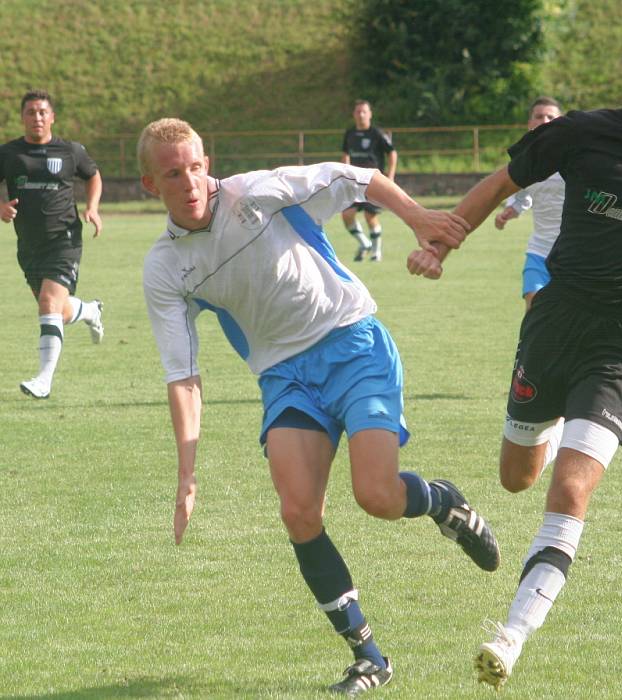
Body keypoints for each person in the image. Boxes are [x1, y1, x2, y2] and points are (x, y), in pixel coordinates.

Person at [138, 118, 499, 696]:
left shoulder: (256, 192)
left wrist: (421, 218)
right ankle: (369, 657)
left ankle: (444, 503)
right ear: (151, 185)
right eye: (173, 173)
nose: (191, 182)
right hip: (286, 379)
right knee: (299, 512)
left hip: (351, 343)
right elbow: (183, 376)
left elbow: (356, 177)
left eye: (197, 166)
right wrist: (187, 473)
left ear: (210, 162)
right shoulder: (165, 267)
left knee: (377, 496)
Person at [407, 25, 622, 689]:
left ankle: (510, 637)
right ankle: (515, 458)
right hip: (555, 323)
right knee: (517, 475)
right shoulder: (580, 133)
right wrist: (441, 244)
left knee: (569, 490)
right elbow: (502, 180)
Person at [0, 89, 104, 400]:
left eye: (43, 112)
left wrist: (93, 207)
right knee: (56, 309)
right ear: (23, 117)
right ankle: (90, 311)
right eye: (31, 112)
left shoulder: (70, 151)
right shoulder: (8, 153)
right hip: (28, 246)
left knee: (48, 303)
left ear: (52, 117)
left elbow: (93, 175)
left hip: (64, 240)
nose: (37, 117)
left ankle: (44, 380)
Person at [494, 97, 565, 311]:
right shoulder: (525, 161)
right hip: (539, 250)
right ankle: (530, 345)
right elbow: (522, 197)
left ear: (562, 123)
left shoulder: (577, 158)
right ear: (529, 124)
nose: (544, 121)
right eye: (539, 116)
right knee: (534, 302)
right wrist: (509, 211)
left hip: (574, 252)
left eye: (551, 117)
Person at [341, 100, 397, 262]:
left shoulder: (377, 133)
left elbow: (392, 153)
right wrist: (345, 172)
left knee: (369, 215)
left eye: (364, 112)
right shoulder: (350, 133)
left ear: (370, 114)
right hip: (354, 182)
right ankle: (364, 243)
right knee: (346, 215)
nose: (361, 115)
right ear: (354, 114)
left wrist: (390, 176)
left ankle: (376, 251)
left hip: (373, 182)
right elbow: (345, 153)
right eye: (358, 112)